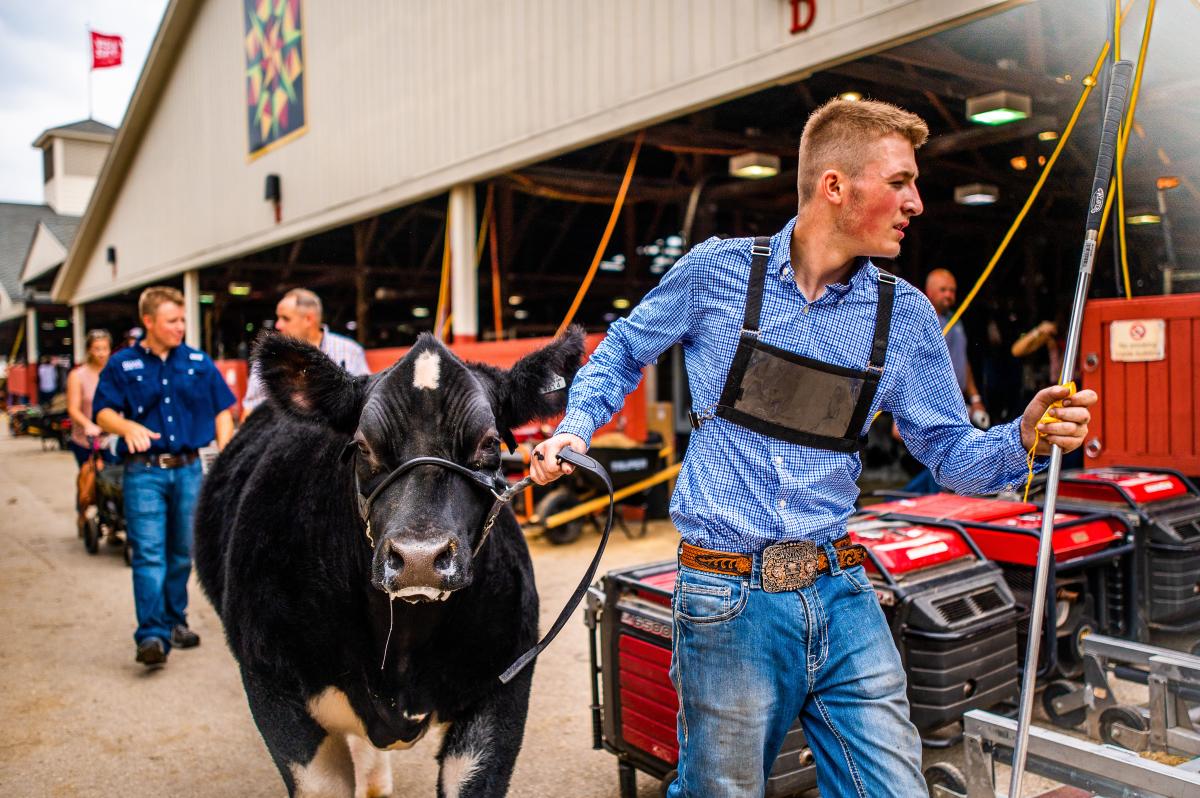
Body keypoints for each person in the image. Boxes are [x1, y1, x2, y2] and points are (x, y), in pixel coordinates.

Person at [530, 98, 1096, 798]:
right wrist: (577, 423)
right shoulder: (717, 274)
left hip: (843, 588)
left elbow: (954, 456)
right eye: (899, 182)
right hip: (726, 597)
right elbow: (621, 350)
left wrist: (1023, 436)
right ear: (835, 186)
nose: (916, 202)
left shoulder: (906, 316)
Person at [94, 286, 236, 668]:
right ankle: (151, 635)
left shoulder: (197, 361)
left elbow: (223, 411)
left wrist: (225, 454)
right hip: (145, 473)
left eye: (182, 320)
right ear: (149, 322)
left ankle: (175, 621)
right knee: (150, 554)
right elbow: (102, 412)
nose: (180, 327)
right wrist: (125, 427)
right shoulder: (122, 364)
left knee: (181, 554)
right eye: (173, 321)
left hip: (189, 470)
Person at [240, 287, 370, 416]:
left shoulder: (350, 352)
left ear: (309, 319)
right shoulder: (269, 358)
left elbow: (367, 400)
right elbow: (251, 411)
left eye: (286, 318)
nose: (278, 325)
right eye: (278, 318)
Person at [66, 330, 115, 466]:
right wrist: (88, 425)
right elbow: (73, 409)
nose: (101, 353)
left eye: (105, 349)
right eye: (97, 349)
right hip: (87, 441)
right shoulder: (77, 376)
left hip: (113, 439)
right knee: (91, 482)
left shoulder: (115, 373)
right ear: (89, 350)